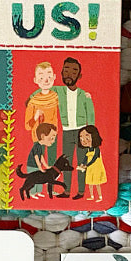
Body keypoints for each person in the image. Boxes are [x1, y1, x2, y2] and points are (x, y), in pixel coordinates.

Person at [55, 57, 96, 199]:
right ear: (61, 73)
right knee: (66, 162)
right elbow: (43, 91)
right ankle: (66, 191)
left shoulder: (84, 95)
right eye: (66, 71)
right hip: (67, 132)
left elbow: (90, 115)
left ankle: (81, 191)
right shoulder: (58, 91)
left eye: (74, 72)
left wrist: (91, 136)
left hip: (81, 132)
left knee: (82, 163)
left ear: (79, 75)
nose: (69, 75)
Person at [24, 61, 61, 167]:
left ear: (54, 77)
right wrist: (35, 117)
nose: (46, 80)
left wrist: (84, 96)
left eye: (49, 76)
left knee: (52, 163)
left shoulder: (56, 97)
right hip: (38, 138)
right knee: (38, 163)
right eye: (41, 78)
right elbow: (27, 126)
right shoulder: (33, 102)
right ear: (35, 80)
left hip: (52, 136)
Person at [76, 124, 107, 201]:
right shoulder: (88, 149)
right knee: (90, 182)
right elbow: (86, 157)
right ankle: (92, 196)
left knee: (97, 183)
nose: (84, 140)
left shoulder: (96, 149)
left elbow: (94, 158)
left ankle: (100, 197)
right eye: (81, 139)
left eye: (87, 137)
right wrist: (82, 164)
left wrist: (87, 165)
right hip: (90, 168)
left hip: (96, 167)